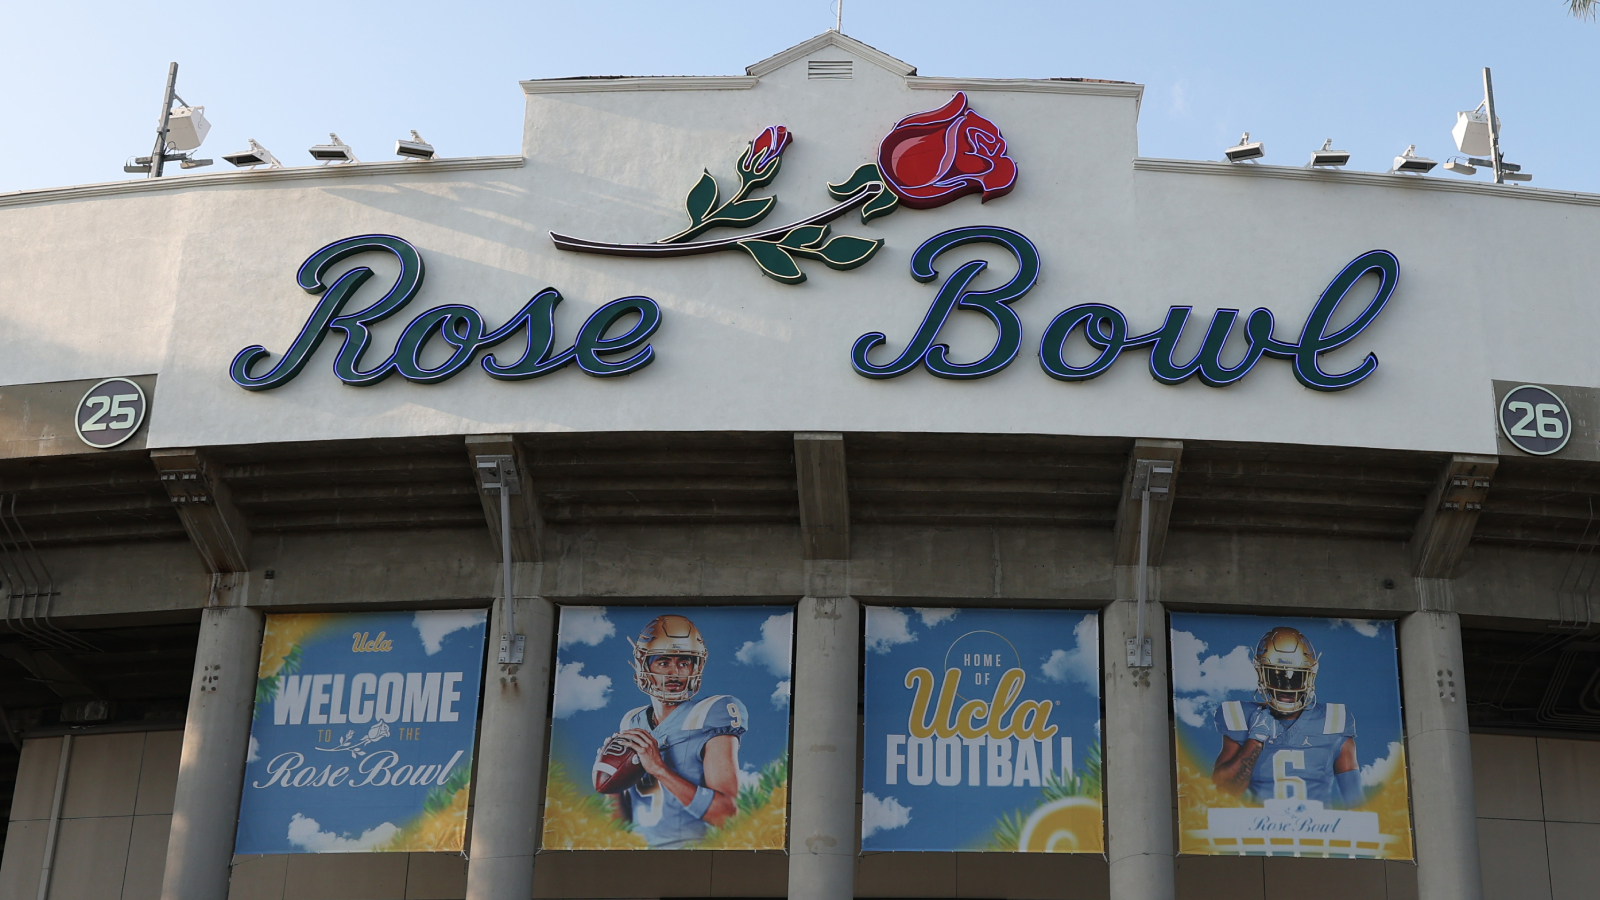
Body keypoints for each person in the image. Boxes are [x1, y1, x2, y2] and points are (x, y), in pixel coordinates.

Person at [604, 614, 748, 848]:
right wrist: (612, 782)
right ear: (644, 665)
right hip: (640, 855)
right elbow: (620, 825)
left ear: (696, 665)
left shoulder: (711, 713)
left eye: (684, 662)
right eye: (663, 662)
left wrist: (658, 768)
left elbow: (727, 815)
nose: (675, 673)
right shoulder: (631, 721)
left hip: (696, 853)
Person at [1211, 626, 1363, 808]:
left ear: (1310, 676)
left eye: (1296, 677)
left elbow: (1356, 803)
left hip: (1320, 831)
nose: (1287, 687)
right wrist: (1255, 740)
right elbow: (1223, 793)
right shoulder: (1240, 717)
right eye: (1277, 676)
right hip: (1257, 830)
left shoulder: (1334, 720)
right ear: (1261, 674)